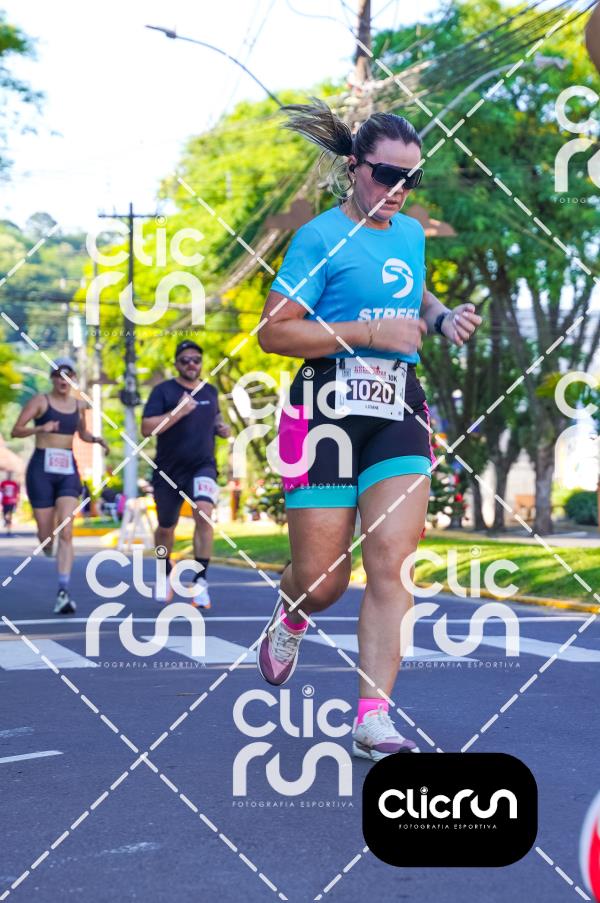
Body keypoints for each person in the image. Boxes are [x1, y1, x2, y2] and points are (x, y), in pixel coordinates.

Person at [255, 101, 481, 760]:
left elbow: (414, 293)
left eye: (411, 178)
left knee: (391, 561)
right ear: (354, 166)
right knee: (324, 580)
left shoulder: (409, 233)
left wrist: (441, 319)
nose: (398, 190)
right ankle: (293, 608)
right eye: (386, 175)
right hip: (322, 409)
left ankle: (372, 718)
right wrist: (366, 332)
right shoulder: (319, 237)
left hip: (397, 406)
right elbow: (273, 331)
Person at [11, 357, 109, 614]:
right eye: (58, 374)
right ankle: (48, 543)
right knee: (46, 536)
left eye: (68, 375)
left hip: (67, 470)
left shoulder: (78, 405)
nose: (63, 379)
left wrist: (97, 440)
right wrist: (41, 428)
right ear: (53, 378)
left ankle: (63, 591)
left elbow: (82, 433)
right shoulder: (40, 401)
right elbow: (16, 430)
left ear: (73, 379)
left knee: (66, 530)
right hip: (41, 470)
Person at [141, 340, 231, 609]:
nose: (192, 364)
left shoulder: (210, 391)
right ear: (176, 364)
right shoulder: (163, 391)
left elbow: (214, 418)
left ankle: (200, 582)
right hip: (168, 470)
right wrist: (177, 412)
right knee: (165, 528)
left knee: (204, 514)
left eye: (196, 360)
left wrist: (221, 428)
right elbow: (147, 428)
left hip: (202, 466)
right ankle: (163, 571)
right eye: (185, 360)